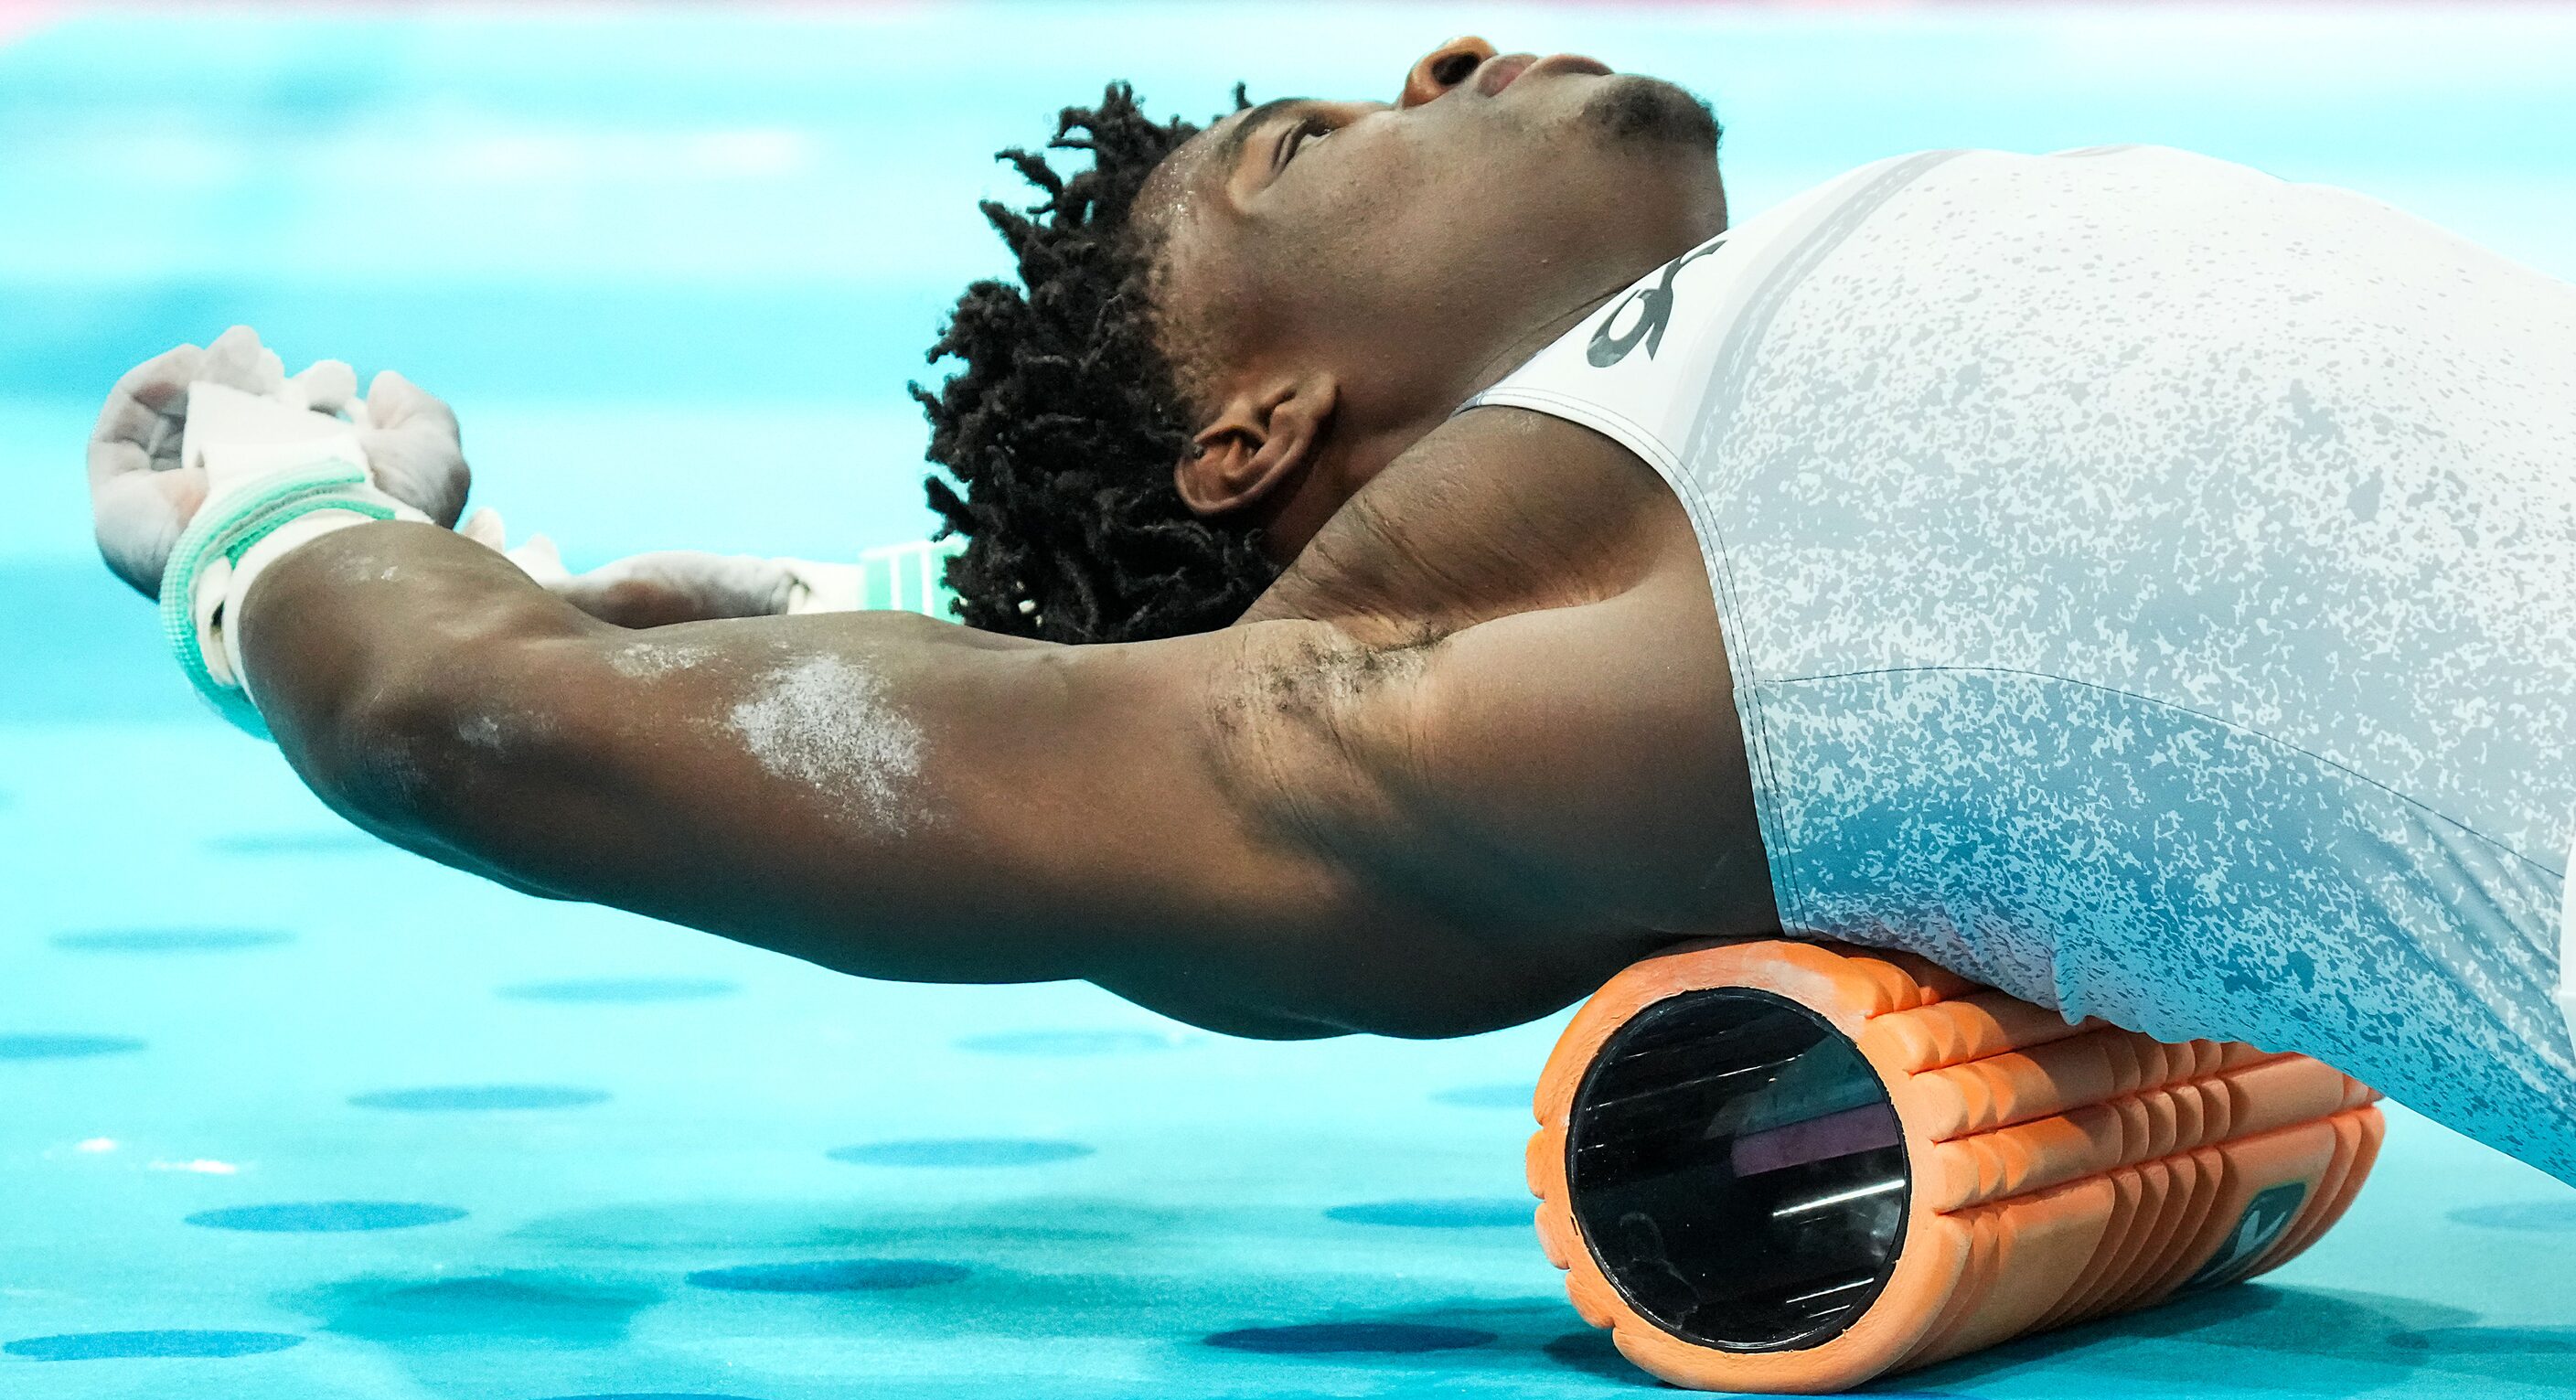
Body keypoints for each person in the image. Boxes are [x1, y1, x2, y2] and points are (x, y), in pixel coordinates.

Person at [87, 39, 2576, 1181]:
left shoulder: (1666, 495)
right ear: (1260, 429)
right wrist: (281, 542)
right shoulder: (1456, 713)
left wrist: (900, 617)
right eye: (1309, 148)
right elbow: (472, 727)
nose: (1452, 48)